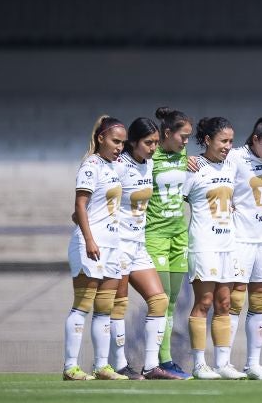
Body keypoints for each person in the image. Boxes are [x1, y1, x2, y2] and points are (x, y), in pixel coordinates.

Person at [108, 117, 175, 380]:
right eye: (148, 143)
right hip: (118, 245)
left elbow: (174, 156)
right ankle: (119, 364)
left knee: (159, 301)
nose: (153, 148)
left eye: (156, 143)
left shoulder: (148, 164)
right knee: (118, 305)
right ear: (132, 142)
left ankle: (150, 366)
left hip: (138, 244)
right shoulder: (119, 167)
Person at [63, 116, 130, 381]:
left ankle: (102, 366)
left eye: (122, 143)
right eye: (115, 141)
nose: (119, 147)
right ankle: (70, 367)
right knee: (83, 305)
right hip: (91, 243)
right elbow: (80, 205)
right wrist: (90, 239)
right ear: (101, 138)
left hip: (112, 245)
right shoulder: (91, 165)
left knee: (105, 307)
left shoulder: (114, 167)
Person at [183, 117, 247, 380]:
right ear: (207, 140)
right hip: (204, 243)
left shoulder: (232, 165)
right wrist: (179, 159)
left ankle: (223, 363)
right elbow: (176, 200)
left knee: (225, 303)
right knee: (204, 302)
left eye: (231, 141)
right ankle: (199, 364)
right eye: (223, 141)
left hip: (228, 243)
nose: (228, 146)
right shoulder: (193, 168)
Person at [225, 116, 262, 380]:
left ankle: (253, 364)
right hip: (240, 238)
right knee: (234, 301)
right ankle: (224, 362)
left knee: (259, 301)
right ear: (255, 139)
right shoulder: (236, 157)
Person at [146, 106, 194, 379]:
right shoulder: (150, 158)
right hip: (155, 237)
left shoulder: (183, 155)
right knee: (160, 301)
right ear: (167, 133)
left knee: (174, 301)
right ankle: (159, 360)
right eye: (183, 136)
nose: (186, 141)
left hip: (179, 236)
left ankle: (165, 359)